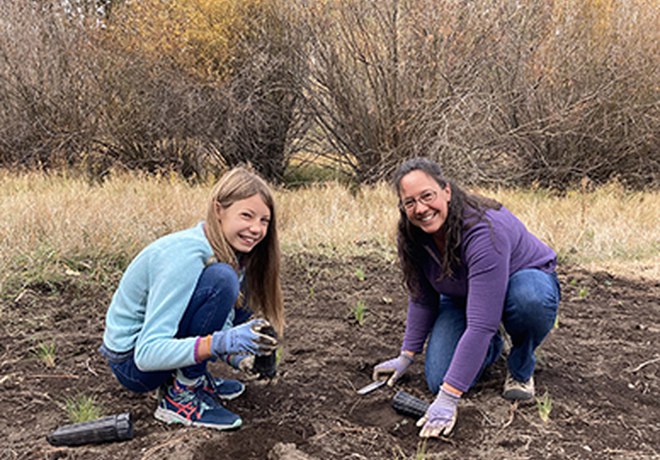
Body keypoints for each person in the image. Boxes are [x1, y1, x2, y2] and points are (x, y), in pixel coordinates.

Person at [373, 158, 560, 438]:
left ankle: (521, 365)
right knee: (438, 378)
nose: (420, 208)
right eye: (409, 202)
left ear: (446, 190)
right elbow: (423, 299)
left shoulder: (484, 231)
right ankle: (491, 345)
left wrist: (449, 399)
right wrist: (406, 356)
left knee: (529, 301)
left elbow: (481, 324)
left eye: (427, 196)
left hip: (521, 282)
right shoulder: (413, 235)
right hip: (464, 295)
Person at [99, 166, 284, 431]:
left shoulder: (231, 252)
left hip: (152, 355)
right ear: (218, 210)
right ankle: (181, 397)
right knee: (222, 280)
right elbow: (147, 355)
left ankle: (193, 378)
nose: (256, 228)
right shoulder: (185, 256)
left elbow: (217, 319)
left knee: (248, 287)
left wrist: (241, 358)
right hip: (133, 366)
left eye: (264, 220)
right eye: (247, 215)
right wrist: (223, 342)